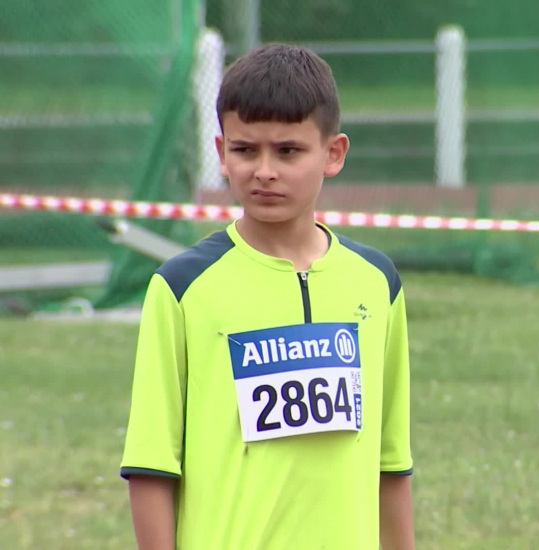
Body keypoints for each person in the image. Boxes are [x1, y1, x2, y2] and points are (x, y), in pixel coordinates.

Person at [120, 43, 414, 550]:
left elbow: (391, 463)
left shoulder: (376, 282)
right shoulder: (182, 288)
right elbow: (151, 465)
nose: (264, 170)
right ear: (220, 154)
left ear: (333, 153)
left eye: (288, 151)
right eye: (245, 150)